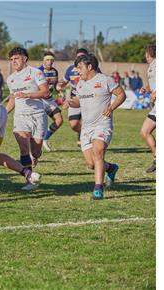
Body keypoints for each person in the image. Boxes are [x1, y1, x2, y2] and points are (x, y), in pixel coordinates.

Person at [68, 54, 125, 200]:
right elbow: (79, 101)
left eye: (80, 68)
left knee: (98, 152)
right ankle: (111, 168)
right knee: (91, 163)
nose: (78, 71)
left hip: (102, 124)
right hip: (86, 128)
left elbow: (121, 95)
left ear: (89, 66)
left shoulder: (105, 80)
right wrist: (70, 103)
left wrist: (111, 108)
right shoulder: (80, 83)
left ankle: (98, 189)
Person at [5, 47, 49, 190]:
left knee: (35, 151)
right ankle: (29, 180)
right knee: (24, 148)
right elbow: (13, 98)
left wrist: (28, 94)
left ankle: (36, 154)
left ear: (24, 58)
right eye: (11, 60)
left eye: (16, 58)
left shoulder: (36, 72)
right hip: (20, 117)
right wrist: (3, 113)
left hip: (37, 116)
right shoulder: (10, 79)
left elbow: (45, 92)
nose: (13, 62)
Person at [57, 48, 95, 146]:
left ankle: (89, 138)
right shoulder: (70, 69)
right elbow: (64, 81)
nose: (79, 59)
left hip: (88, 100)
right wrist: (60, 85)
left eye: (82, 57)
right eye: (78, 57)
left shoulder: (93, 69)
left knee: (90, 123)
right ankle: (81, 133)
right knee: (73, 124)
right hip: (74, 100)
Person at [38, 51, 63, 152]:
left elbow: (55, 85)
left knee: (59, 120)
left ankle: (45, 139)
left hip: (50, 99)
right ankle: (35, 145)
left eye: (52, 60)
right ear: (43, 60)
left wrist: (60, 91)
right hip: (39, 100)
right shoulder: (37, 71)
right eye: (47, 60)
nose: (50, 62)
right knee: (40, 124)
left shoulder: (54, 71)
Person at [139, 44, 156, 173]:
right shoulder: (151, 67)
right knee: (145, 131)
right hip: (156, 106)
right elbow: (153, 85)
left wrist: (156, 93)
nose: (145, 56)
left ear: (149, 53)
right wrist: (147, 89)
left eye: (146, 53)